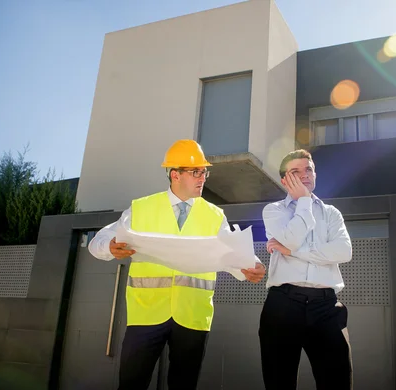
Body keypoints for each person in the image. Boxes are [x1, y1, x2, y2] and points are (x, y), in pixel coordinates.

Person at [88, 139, 266, 390]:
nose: (203, 177)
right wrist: (109, 247)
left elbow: (233, 253)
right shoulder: (141, 208)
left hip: (192, 317)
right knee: (131, 383)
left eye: (204, 171)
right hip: (146, 315)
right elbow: (98, 242)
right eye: (196, 172)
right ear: (175, 175)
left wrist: (252, 266)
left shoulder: (215, 215)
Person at [259, 149, 353, 390]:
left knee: (337, 381)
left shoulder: (332, 214)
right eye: (295, 172)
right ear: (284, 181)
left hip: (326, 307)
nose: (304, 175)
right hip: (283, 305)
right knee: (279, 381)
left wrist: (295, 252)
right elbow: (290, 239)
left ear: (315, 173)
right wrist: (303, 201)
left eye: (308, 169)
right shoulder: (274, 211)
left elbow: (343, 252)